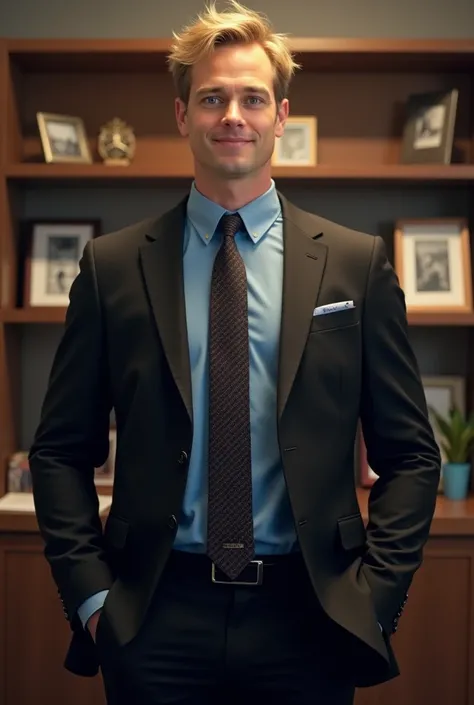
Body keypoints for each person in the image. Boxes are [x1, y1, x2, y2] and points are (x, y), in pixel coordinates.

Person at [29, 2, 441, 704]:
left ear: (280, 116)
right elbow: (59, 451)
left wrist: (372, 597)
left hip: (309, 614)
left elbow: (412, 455)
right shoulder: (112, 267)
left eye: (252, 98)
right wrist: (94, 600)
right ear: (182, 114)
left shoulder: (354, 264)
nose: (232, 115)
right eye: (212, 97)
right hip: (153, 615)